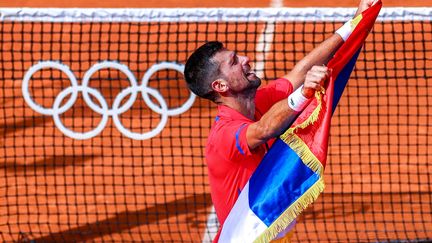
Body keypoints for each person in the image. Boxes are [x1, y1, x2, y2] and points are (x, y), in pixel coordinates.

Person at [184, 0, 375, 241]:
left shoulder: (258, 102)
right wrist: (304, 93)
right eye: (234, 61)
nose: (245, 58)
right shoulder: (223, 136)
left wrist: (354, 23)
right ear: (220, 86)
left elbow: (301, 71)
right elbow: (263, 129)